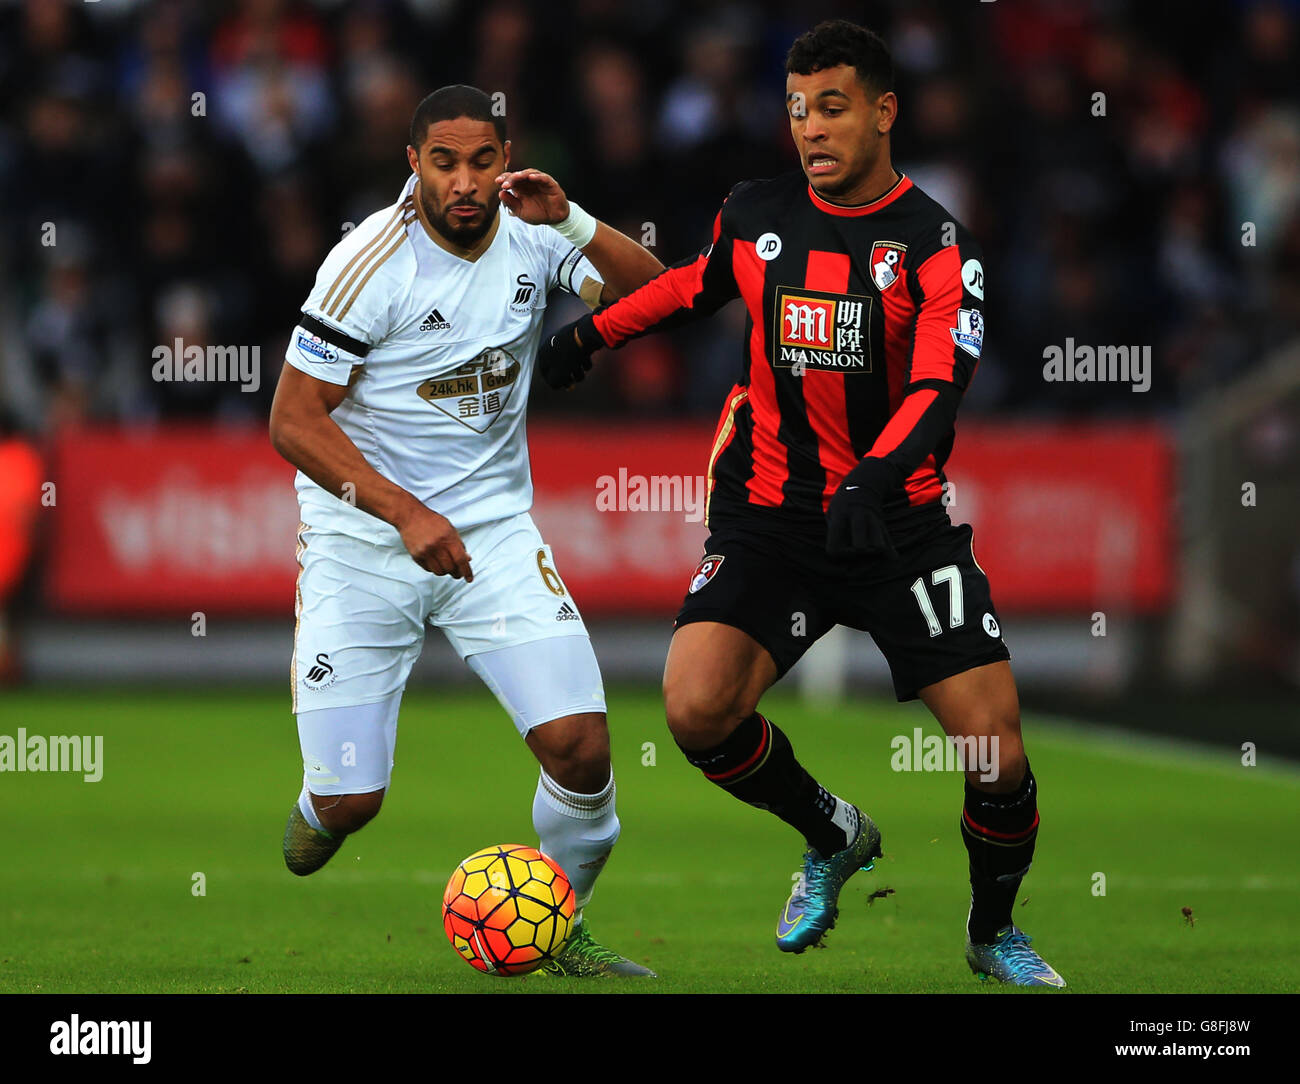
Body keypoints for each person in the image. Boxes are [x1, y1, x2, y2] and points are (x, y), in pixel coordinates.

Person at [537, 22, 1065, 987]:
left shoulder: (940, 246)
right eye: (796, 110)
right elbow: (697, 285)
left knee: (994, 746)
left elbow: (941, 385)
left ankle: (993, 933)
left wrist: (871, 474)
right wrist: (591, 336)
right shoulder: (759, 212)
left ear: (883, 111)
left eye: (831, 107)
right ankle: (832, 834)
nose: (811, 130)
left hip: (897, 520)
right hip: (772, 517)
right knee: (697, 709)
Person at [268, 84, 663, 977]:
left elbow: (661, 297)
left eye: (481, 160)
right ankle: (322, 800)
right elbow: (294, 420)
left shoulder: (533, 231)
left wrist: (575, 221)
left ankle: (557, 928)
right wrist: (405, 513)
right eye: (443, 162)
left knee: (582, 748)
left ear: (505, 157)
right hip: (360, 539)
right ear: (413, 165)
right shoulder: (369, 262)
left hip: (489, 530)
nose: (465, 181)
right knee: (351, 800)